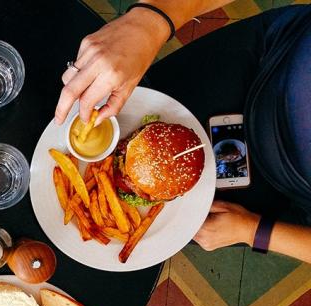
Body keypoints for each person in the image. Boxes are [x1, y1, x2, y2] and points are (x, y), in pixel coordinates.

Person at [54, 1, 311, 263]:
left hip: (279, 188)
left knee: (185, 223)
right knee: (148, 88)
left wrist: (254, 231)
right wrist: (149, 22)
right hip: (270, 51)